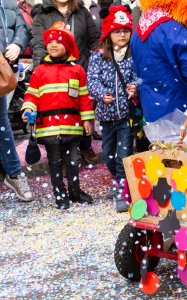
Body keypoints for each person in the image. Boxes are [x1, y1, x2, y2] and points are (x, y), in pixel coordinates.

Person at [22, 22, 95, 209]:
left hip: (72, 124)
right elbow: (31, 94)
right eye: (50, 41)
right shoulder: (39, 71)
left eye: (59, 42)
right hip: (49, 126)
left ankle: (75, 191)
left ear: (68, 47)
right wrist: (28, 109)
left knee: (74, 159)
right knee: (55, 161)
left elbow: (84, 97)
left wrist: (87, 119)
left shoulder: (77, 70)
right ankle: (60, 194)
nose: (53, 45)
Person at [31, 0, 101, 164]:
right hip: (54, 74)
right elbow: (39, 46)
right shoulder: (42, 14)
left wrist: (100, 61)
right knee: (60, 111)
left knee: (83, 107)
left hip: (80, 68)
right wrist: (40, 72)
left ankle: (85, 145)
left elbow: (93, 40)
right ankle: (60, 154)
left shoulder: (82, 11)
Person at [87, 5, 135, 212]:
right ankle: (119, 181)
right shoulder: (98, 56)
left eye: (125, 30)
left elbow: (140, 76)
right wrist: (100, 94)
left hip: (126, 116)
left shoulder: (134, 55)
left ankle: (121, 188)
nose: (122, 35)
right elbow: (92, 80)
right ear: (109, 33)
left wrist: (136, 87)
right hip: (106, 117)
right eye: (117, 31)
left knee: (124, 153)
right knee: (108, 155)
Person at [0, 0, 33, 202]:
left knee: (2, 122)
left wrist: (17, 44)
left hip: (2, 67)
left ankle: (14, 174)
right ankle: (13, 173)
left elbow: (22, 27)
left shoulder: (8, 3)